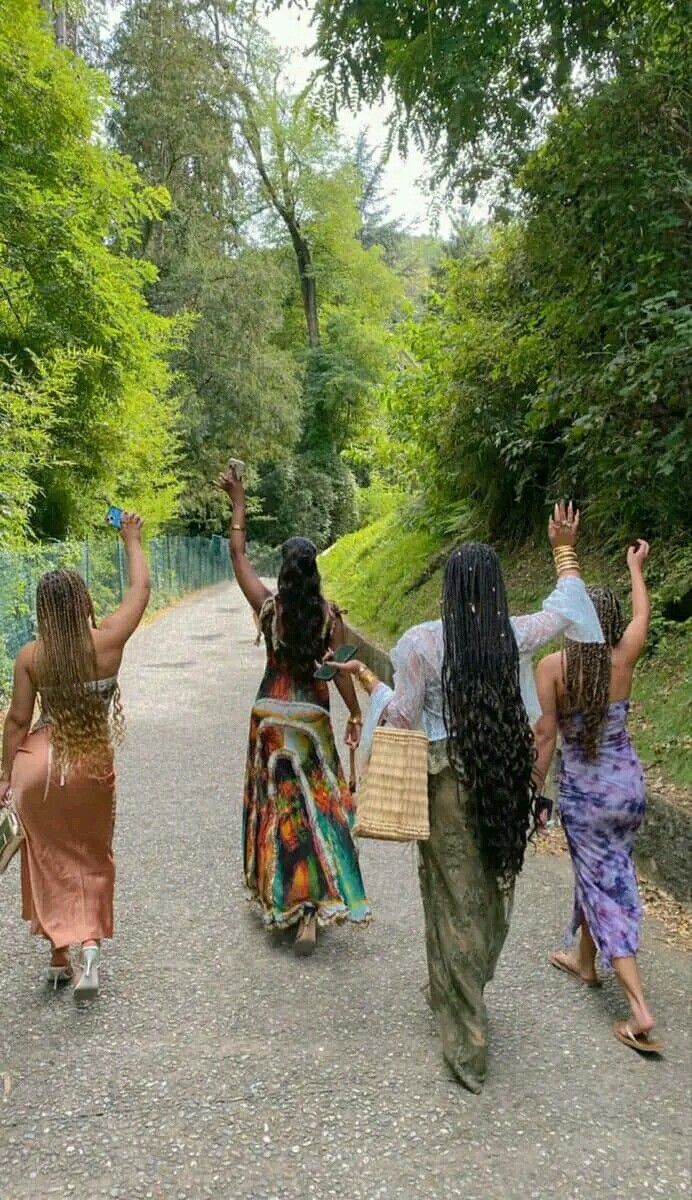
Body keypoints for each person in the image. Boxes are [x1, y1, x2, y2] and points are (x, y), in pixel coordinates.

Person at [329, 503, 603, 1093]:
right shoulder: (513, 635)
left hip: (445, 783)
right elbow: (565, 608)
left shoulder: (421, 643)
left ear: (450, 590)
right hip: (504, 778)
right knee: (494, 889)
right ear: (497, 589)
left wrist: (371, 691)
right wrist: (563, 549)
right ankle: (457, 984)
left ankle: (467, 1043)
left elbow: (402, 715)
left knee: (450, 899)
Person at [218, 468, 370, 956]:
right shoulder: (330, 618)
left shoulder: (269, 609)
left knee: (279, 809)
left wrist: (238, 503)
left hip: (268, 721)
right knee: (317, 811)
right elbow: (340, 671)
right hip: (309, 722)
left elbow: (238, 555)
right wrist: (354, 714)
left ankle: (282, 897)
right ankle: (312, 907)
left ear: (283, 572)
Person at [0, 515, 150, 999]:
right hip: (91, 764)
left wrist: (5, 775)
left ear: (43, 611)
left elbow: (18, 723)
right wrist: (132, 539)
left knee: (47, 855)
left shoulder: (32, 657)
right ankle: (86, 949)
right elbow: (140, 591)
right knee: (91, 855)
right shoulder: (106, 642)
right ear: (83, 602)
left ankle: (57, 955)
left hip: (40, 773)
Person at [533, 539, 662, 1053]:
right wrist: (636, 568)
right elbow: (642, 611)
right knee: (603, 875)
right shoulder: (624, 655)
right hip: (628, 790)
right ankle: (584, 962)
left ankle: (638, 1009)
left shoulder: (553, 670)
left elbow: (545, 737)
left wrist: (533, 793)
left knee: (604, 888)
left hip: (586, 798)